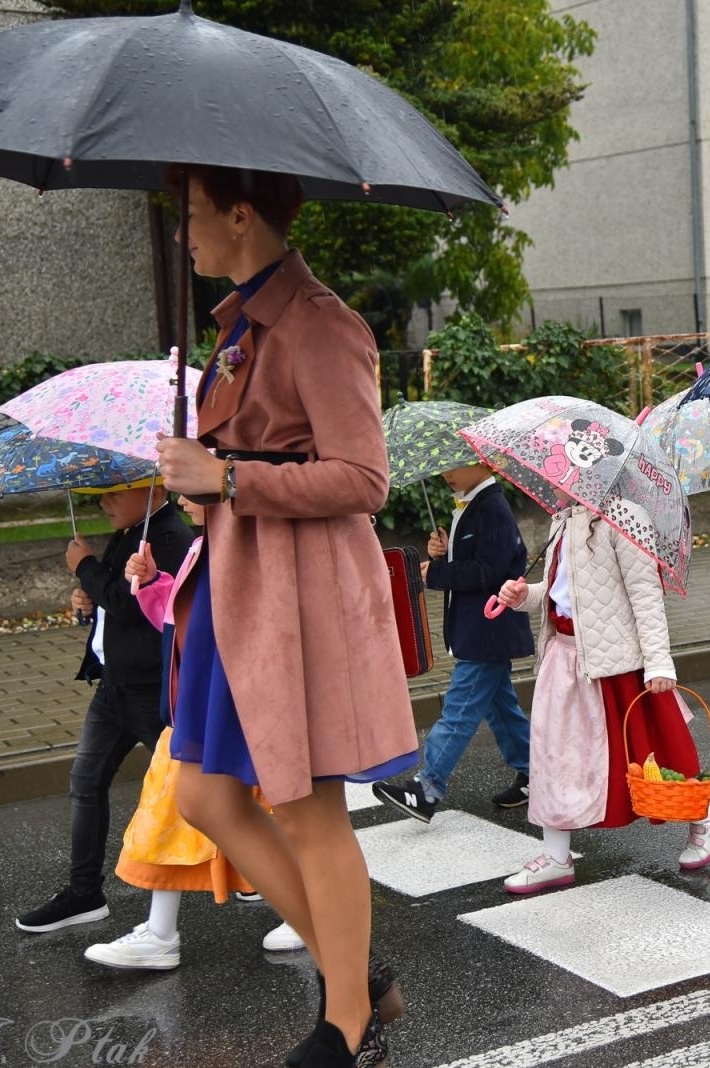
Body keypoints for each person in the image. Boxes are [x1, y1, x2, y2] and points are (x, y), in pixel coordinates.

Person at [154, 164, 417, 1068]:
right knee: (203, 793)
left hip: (297, 595)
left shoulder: (318, 324)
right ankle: (359, 974)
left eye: (190, 215)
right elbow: (253, 454)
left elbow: (363, 479)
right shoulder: (238, 325)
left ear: (239, 214)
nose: (182, 233)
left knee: (308, 811)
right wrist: (206, 485)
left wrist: (226, 478)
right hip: (238, 585)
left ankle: (348, 1022)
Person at [84, 495, 302, 969]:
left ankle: (303, 912)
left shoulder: (238, 548)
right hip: (196, 713)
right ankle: (161, 931)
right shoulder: (202, 547)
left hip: (232, 713)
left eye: (190, 485)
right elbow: (179, 621)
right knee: (171, 813)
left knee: (274, 814)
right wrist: (153, 585)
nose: (181, 497)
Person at [493, 491, 710, 893]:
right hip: (563, 658)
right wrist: (527, 596)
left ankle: (705, 816)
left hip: (614, 662)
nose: (554, 479)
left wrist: (658, 661)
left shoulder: (626, 517)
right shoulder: (562, 519)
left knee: (646, 753)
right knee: (553, 754)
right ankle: (555, 856)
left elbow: (646, 595)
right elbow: (563, 592)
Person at [15, 478, 192, 934]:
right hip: (115, 688)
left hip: (153, 692)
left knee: (200, 788)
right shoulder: (129, 535)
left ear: (151, 492)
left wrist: (84, 566)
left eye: (114, 493)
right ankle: (84, 893)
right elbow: (112, 600)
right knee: (86, 780)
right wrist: (89, 603)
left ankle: (262, 875)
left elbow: (132, 602)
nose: (105, 503)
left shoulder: (170, 537)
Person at [372, 460, 535, 822]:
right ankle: (534, 772)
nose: (446, 472)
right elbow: (479, 562)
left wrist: (441, 571)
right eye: (443, 465)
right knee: (500, 707)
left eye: (456, 464)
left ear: (481, 462)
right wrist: (444, 554)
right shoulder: (472, 502)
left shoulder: (492, 506)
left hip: (488, 630)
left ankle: (427, 788)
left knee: (459, 710)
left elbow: (490, 572)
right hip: (479, 629)